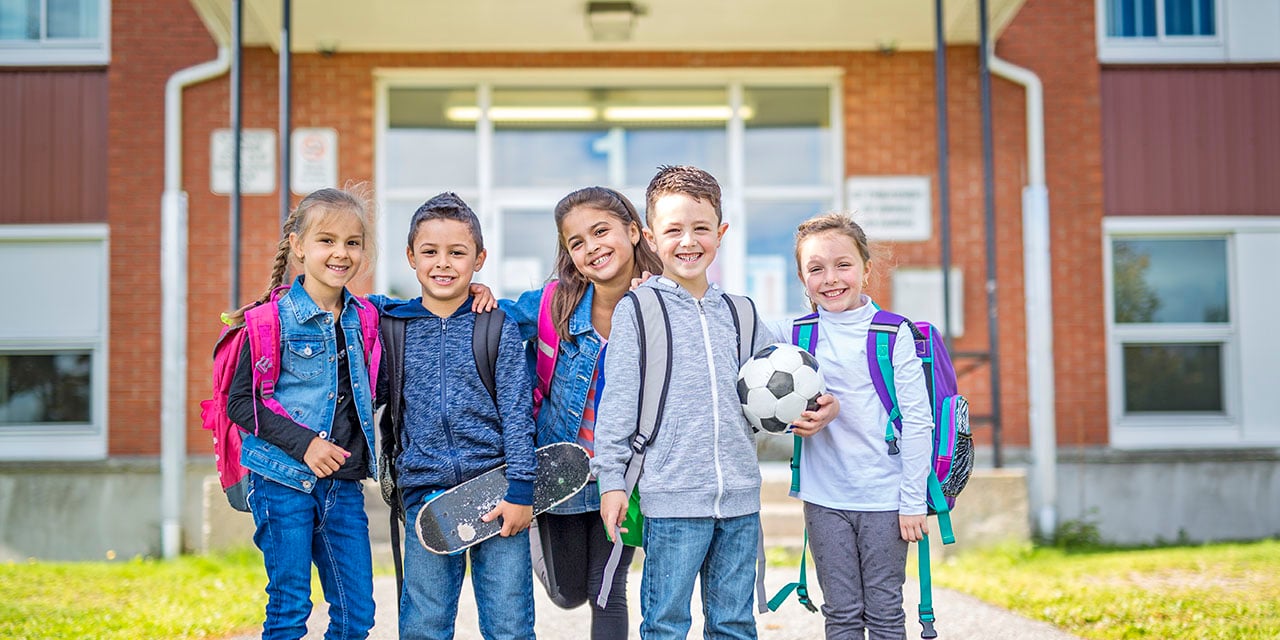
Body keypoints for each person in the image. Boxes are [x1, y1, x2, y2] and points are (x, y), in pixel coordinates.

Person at [592, 165, 834, 640]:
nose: (688, 241)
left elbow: (787, 381)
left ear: (721, 233)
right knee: (665, 624)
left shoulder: (741, 312)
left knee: (735, 624)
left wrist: (822, 406)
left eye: (701, 228)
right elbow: (617, 403)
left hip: (741, 501)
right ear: (649, 236)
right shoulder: (638, 309)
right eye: (673, 230)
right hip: (671, 502)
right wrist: (611, 482)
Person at [370, 192, 538, 640]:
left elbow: (518, 412)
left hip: (498, 491)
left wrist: (522, 489)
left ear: (478, 258)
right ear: (410, 257)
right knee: (425, 624)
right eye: (429, 252)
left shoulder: (494, 325)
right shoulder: (392, 328)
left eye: (457, 252)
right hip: (428, 497)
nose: (442, 263)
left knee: (509, 624)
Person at [499, 186, 664, 638]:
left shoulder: (665, 303)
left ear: (634, 231)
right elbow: (495, 324)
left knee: (606, 588)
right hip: (560, 473)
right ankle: (538, 528)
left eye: (601, 231)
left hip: (625, 476)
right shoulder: (555, 303)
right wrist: (473, 295)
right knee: (568, 592)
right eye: (577, 242)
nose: (592, 247)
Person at [225, 186, 380, 640]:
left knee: (357, 616)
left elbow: (427, 306)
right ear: (297, 246)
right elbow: (241, 401)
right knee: (290, 607)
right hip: (281, 482)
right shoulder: (270, 320)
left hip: (344, 487)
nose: (341, 253)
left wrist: (471, 288)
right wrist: (305, 444)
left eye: (353, 242)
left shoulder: (366, 317)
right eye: (326, 240)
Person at [783, 212, 933, 640]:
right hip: (824, 498)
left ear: (867, 269)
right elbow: (725, 324)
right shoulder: (795, 333)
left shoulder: (893, 332)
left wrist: (912, 500)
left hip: (885, 498)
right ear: (802, 278)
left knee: (885, 612)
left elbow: (918, 421)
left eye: (843, 264)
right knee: (841, 613)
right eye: (815, 269)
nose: (830, 278)